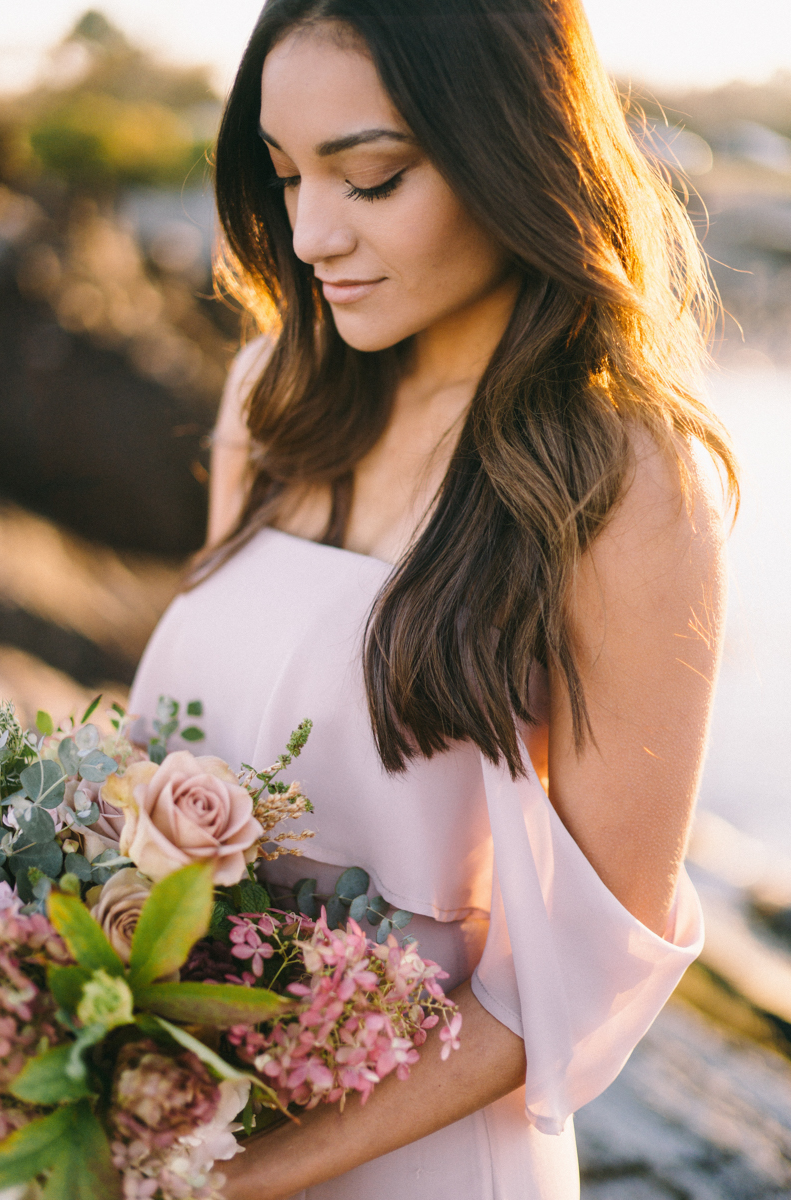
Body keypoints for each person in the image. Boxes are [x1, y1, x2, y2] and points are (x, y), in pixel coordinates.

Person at [129, 1, 738, 1196]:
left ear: (514, 150)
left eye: (370, 178)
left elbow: (579, 970)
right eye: (285, 175)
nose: (307, 234)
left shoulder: (620, 482)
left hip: (413, 1156)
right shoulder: (274, 396)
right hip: (170, 1115)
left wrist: (245, 1178)